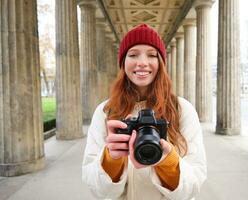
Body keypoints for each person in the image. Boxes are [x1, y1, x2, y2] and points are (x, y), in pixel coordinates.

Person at [82, 23, 207, 200]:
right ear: (123, 63)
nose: (142, 63)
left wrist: (167, 160)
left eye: (152, 55)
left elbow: (193, 186)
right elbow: (97, 191)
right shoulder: (105, 112)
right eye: (133, 54)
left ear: (161, 63)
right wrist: (111, 159)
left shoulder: (182, 109)